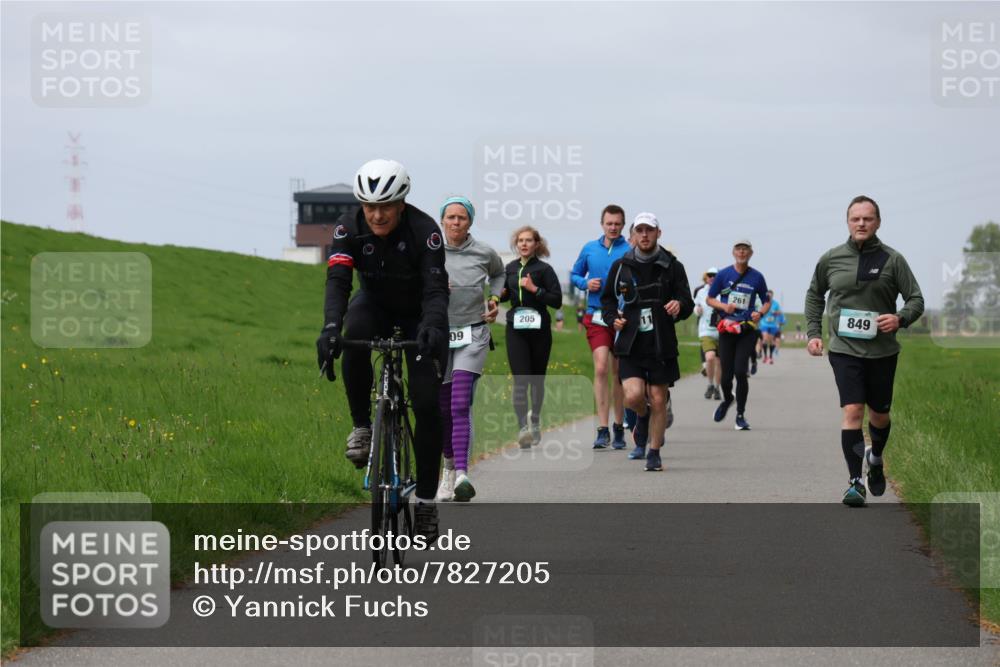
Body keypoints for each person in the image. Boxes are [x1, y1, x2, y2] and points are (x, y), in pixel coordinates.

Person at [317, 158, 448, 544]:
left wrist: (433, 327)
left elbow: (436, 290)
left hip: (418, 314)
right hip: (373, 303)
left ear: (401, 203)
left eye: (385, 206)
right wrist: (328, 329)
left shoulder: (426, 231)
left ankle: (425, 500)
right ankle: (362, 426)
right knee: (352, 332)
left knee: (426, 404)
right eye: (369, 206)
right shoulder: (348, 227)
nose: (376, 214)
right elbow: (338, 280)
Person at [805, 195, 924, 507]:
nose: (861, 223)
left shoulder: (893, 259)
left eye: (867, 218)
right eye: (856, 218)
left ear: (878, 223)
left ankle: (877, 458)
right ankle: (854, 482)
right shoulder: (831, 258)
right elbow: (815, 295)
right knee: (853, 410)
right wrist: (814, 334)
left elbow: (915, 299)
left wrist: (900, 318)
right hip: (844, 350)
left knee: (880, 415)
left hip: (883, 351)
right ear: (847, 222)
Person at [601, 213, 693, 471]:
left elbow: (687, 302)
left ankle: (654, 452)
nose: (644, 235)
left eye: (649, 230)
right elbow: (607, 299)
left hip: (660, 342)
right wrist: (612, 319)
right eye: (639, 230)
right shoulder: (621, 265)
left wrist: (679, 305)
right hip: (631, 342)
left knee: (659, 398)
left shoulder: (672, 266)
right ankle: (642, 416)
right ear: (633, 234)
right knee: (633, 396)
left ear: (658, 233)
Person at [434, 197, 504, 503]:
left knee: (460, 402)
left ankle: (462, 474)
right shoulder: (431, 251)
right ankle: (447, 469)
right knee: (443, 408)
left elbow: (499, 274)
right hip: (438, 334)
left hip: (473, 332)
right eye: (450, 217)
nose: (455, 222)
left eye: (461, 218)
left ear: (470, 222)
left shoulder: (484, 252)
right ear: (442, 220)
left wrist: (495, 298)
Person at [570, 205, 630, 449]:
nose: (613, 227)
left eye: (617, 224)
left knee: (618, 373)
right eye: (609, 223)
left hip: (622, 317)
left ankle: (618, 426)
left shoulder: (630, 249)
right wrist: (585, 283)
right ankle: (602, 428)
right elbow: (574, 274)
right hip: (596, 315)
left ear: (623, 225)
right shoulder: (590, 248)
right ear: (602, 224)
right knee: (601, 367)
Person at [500, 226, 563, 449]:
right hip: (515, 329)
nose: (524, 244)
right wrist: (501, 295)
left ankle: (534, 419)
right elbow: (501, 295)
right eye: (520, 241)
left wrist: (535, 289)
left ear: (537, 244)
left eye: (529, 240)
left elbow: (557, 301)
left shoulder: (544, 270)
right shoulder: (510, 268)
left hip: (539, 331)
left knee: (536, 379)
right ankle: (522, 428)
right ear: (516, 244)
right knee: (520, 380)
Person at [706, 240, 771, 431]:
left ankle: (740, 415)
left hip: (746, 329)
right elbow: (710, 298)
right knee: (726, 377)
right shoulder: (724, 274)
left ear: (751, 253)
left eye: (745, 249)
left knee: (740, 372)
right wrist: (724, 306)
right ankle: (728, 400)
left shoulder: (757, 277)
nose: (742, 252)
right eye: (738, 249)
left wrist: (760, 313)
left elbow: (766, 300)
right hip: (727, 328)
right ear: (733, 252)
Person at [694, 267, 722, 399]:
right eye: (709, 275)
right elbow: (696, 306)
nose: (712, 277)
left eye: (714, 275)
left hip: (722, 331)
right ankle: (710, 384)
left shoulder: (724, 292)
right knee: (710, 357)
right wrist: (697, 309)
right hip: (706, 330)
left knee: (719, 362)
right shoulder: (701, 292)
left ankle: (717, 388)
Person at [759, 290, 785, 364]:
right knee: (765, 339)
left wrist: (775, 312)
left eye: (770, 296)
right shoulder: (763, 302)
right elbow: (759, 310)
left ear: (772, 296)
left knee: (771, 341)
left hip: (773, 325)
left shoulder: (775, 304)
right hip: (764, 324)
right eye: (768, 295)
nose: (769, 297)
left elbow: (780, 312)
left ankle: (770, 357)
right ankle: (765, 356)